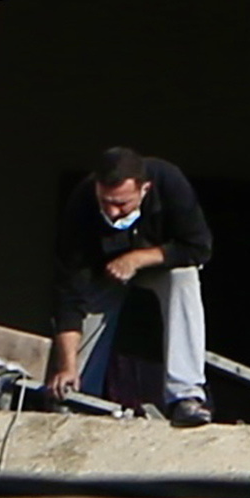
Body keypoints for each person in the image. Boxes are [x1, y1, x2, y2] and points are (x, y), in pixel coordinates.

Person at [49, 146, 214, 426]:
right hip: (102, 274)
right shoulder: (80, 203)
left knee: (183, 278)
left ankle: (185, 396)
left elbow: (198, 248)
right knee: (83, 323)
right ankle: (77, 400)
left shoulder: (170, 181)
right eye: (106, 202)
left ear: (145, 189)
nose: (113, 212)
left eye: (122, 204)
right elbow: (69, 293)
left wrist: (138, 258)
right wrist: (66, 366)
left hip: (156, 265)